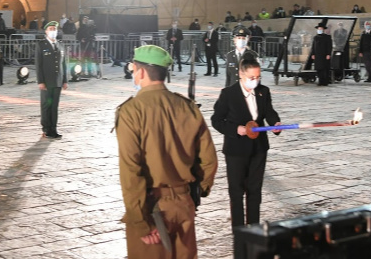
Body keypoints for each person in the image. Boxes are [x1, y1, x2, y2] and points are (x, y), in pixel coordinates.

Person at [115, 45, 218, 258]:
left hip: (151, 208)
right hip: (183, 204)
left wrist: (141, 222)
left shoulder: (131, 111)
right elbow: (208, 159)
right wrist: (197, 192)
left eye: (134, 69)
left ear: (141, 72)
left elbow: (130, 172)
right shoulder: (187, 107)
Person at [211, 58, 281, 256]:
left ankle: (254, 229)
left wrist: (275, 124)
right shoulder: (228, 94)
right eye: (251, 77)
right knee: (236, 191)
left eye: (258, 77)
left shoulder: (263, 91)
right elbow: (217, 120)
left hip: (259, 147)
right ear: (241, 74)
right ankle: (239, 231)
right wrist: (236, 129)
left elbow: (269, 112)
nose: (255, 80)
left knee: (255, 191)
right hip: (236, 150)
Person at [35, 21, 68, 139]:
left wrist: (65, 80)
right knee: (46, 106)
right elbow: (38, 65)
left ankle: (53, 129)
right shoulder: (41, 45)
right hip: (47, 81)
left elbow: (63, 64)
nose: (53, 31)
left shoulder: (60, 45)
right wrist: (40, 81)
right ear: (46, 31)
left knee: (54, 106)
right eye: (51, 29)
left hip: (57, 80)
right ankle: (46, 129)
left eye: (55, 29)